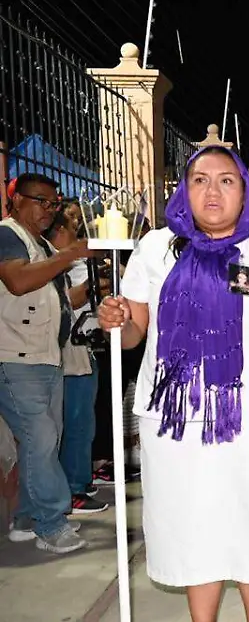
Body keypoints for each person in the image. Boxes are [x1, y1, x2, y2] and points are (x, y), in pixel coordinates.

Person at [97, 146, 249, 620]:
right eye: (200, 180)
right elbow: (136, 332)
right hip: (177, 423)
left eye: (226, 180)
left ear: (245, 191)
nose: (212, 191)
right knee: (195, 522)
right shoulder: (156, 248)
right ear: (184, 189)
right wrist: (116, 322)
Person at [0, 172, 89, 554]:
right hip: (15, 357)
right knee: (41, 438)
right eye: (42, 201)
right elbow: (17, 282)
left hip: (45, 357)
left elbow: (58, 299)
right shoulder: (7, 234)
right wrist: (70, 256)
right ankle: (52, 524)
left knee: (42, 441)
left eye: (53, 204)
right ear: (17, 199)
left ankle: (26, 519)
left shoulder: (38, 243)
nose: (49, 211)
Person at [43, 209, 109, 514]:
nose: (78, 237)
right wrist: (90, 289)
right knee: (76, 421)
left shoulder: (69, 262)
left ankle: (80, 480)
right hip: (69, 353)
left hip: (85, 350)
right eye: (71, 230)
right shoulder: (51, 264)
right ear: (58, 233)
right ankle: (73, 488)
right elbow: (65, 303)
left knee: (85, 421)